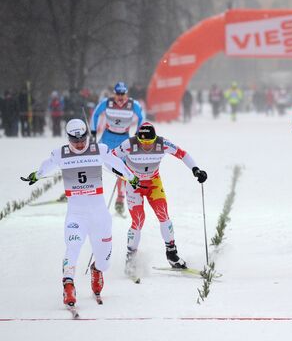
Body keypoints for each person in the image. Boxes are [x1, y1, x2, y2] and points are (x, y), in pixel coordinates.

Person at [21, 119, 140, 307]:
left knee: (104, 262)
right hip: (76, 214)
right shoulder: (60, 153)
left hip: (99, 215)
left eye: (82, 139)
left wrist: (131, 178)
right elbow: (47, 164)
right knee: (73, 247)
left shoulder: (99, 150)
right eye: (75, 140)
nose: (79, 143)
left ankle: (96, 269)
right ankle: (68, 284)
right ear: (68, 138)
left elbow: (116, 163)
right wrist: (36, 175)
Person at [111, 122, 208, 274]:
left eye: (150, 142)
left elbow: (182, 154)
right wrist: (124, 174)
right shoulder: (129, 144)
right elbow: (110, 158)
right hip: (133, 184)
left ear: (155, 138)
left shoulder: (162, 143)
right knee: (138, 220)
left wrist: (196, 170)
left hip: (153, 183)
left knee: (163, 215)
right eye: (144, 143)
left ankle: (172, 254)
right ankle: (130, 258)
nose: (147, 146)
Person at [90, 81, 145, 215]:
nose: (120, 96)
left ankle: (120, 200)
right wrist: (93, 130)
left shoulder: (133, 104)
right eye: (118, 93)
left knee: (122, 169)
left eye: (123, 93)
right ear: (114, 93)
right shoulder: (107, 102)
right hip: (107, 138)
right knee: (93, 161)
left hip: (123, 138)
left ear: (126, 93)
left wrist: (139, 132)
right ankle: (83, 191)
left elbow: (142, 117)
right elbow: (95, 114)